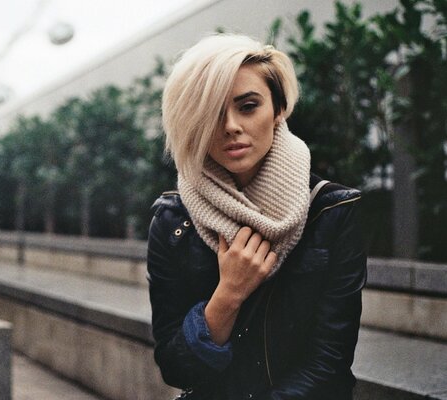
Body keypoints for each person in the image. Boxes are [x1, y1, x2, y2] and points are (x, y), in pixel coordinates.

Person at [147, 34, 367, 400]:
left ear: (278, 109)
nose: (230, 125)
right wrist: (228, 294)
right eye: (213, 112)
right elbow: (175, 367)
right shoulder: (173, 221)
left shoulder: (331, 211)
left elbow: (328, 365)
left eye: (248, 106)